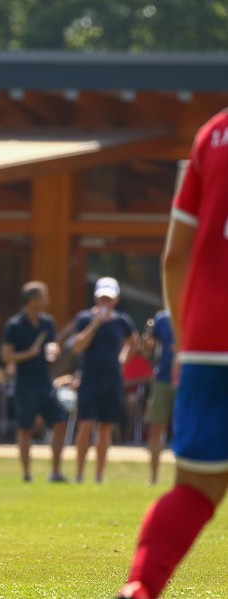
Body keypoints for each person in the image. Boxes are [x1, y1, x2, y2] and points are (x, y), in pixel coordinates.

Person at [118, 110, 228, 599]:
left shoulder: (214, 134)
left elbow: (174, 257)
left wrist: (187, 342)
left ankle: (140, 588)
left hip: (208, 341)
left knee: (195, 490)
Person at [69, 276, 138, 483]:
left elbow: (133, 341)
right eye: (102, 298)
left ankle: (99, 475)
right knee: (85, 426)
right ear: (95, 298)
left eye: (109, 298)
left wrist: (123, 359)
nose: (105, 302)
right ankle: (79, 474)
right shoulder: (83, 318)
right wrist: (95, 324)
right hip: (89, 379)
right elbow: (77, 346)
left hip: (112, 380)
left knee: (105, 428)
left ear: (116, 299)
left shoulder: (122, 320)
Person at [0, 281, 68, 483]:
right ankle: (27, 474)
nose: (47, 301)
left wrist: (54, 352)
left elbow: (53, 347)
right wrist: (27, 354)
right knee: (25, 428)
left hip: (44, 382)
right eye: (44, 297)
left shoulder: (48, 322)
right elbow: (6, 356)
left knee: (60, 422)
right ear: (32, 301)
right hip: (25, 383)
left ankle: (55, 472)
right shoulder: (14, 325)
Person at [143, 311, 175, 485]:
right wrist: (147, 336)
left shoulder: (193, 312)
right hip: (162, 380)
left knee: (184, 430)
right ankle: (153, 478)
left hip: (186, 379)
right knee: (156, 428)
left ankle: (182, 480)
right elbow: (146, 350)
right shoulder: (161, 319)